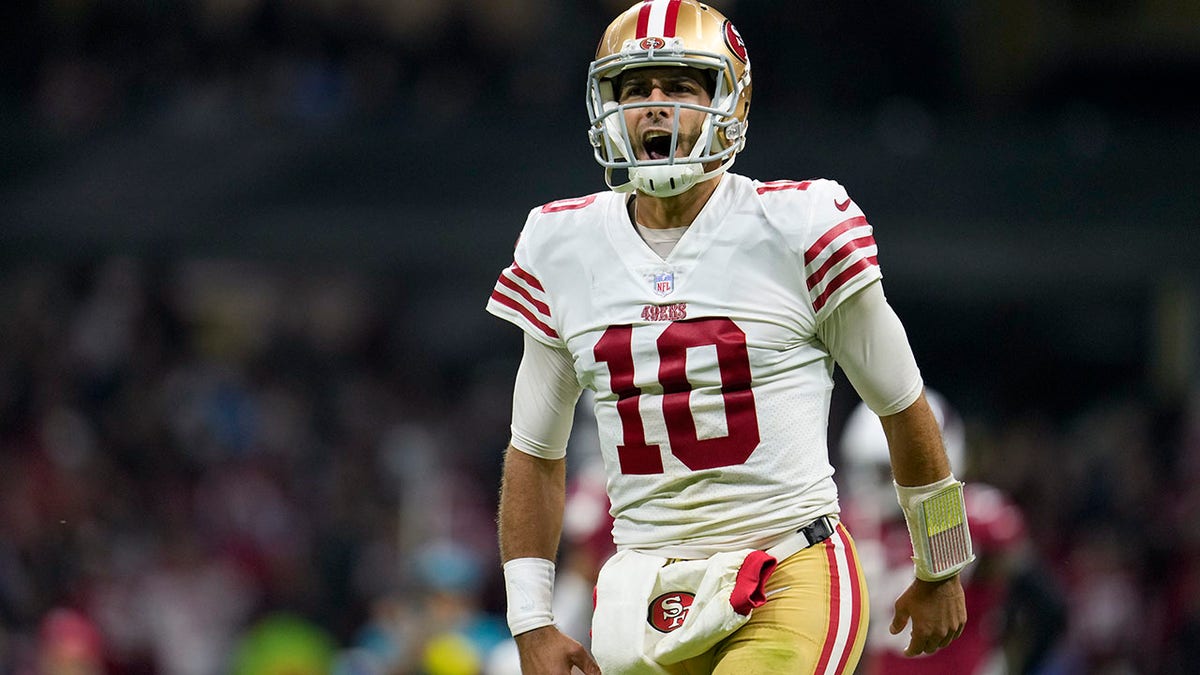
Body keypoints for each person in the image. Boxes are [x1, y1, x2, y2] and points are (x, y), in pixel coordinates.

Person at [485, 2, 974, 673]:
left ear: (730, 101)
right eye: (635, 89)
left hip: (788, 565)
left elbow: (902, 402)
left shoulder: (799, 223)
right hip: (643, 590)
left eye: (681, 85)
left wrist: (942, 562)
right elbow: (534, 451)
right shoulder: (561, 242)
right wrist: (531, 619)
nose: (655, 106)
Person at [840, 391, 1066, 674]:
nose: (872, 483)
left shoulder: (970, 518)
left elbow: (1048, 608)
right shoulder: (859, 523)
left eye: (884, 471)